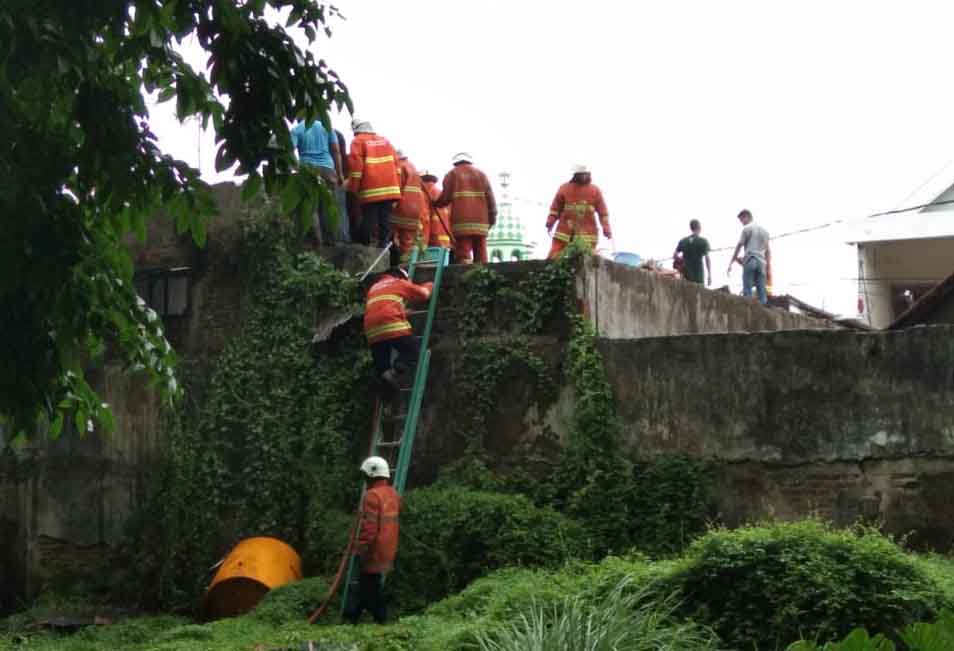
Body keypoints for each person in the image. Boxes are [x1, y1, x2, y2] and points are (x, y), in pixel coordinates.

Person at [343, 456, 401, 625]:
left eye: (365, 476)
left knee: (370, 587)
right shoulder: (392, 493)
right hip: (389, 548)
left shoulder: (372, 496)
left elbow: (370, 529)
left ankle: (380, 619)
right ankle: (352, 616)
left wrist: (359, 547)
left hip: (374, 551)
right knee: (367, 585)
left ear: (371, 474)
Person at [363, 267, 433, 392]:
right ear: (400, 276)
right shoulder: (398, 282)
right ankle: (394, 372)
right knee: (412, 351)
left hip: (371, 331)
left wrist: (402, 312)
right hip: (391, 326)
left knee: (382, 363)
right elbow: (424, 294)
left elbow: (381, 308)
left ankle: (386, 381)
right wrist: (429, 285)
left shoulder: (373, 288)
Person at [347, 118, 401, 248]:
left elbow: (356, 167)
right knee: (385, 220)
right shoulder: (386, 141)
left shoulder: (357, 141)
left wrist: (353, 189)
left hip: (370, 188)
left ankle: (363, 244)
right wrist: (397, 188)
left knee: (369, 218)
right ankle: (384, 245)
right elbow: (397, 166)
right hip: (390, 188)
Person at [434, 152, 496, 264]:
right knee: (481, 251)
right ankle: (483, 275)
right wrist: (492, 219)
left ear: (455, 163)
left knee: (463, 251)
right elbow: (491, 200)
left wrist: (436, 203)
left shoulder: (452, 174)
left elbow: (445, 197)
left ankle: (465, 275)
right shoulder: (482, 175)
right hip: (481, 222)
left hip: (461, 221)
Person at [290, 119, 344, 243]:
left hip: (307, 170)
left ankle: (315, 241)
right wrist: (340, 174)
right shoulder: (327, 127)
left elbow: (289, 149)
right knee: (329, 204)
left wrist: (297, 166)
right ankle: (330, 240)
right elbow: (336, 151)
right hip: (327, 169)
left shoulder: (297, 129)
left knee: (310, 206)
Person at [545, 164, 612, 259]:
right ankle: (550, 269)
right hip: (565, 229)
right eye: (581, 174)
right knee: (555, 254)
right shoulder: (564, 188)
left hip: (587, 231)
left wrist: (606, 228)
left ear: (589, 174)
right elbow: (555, 208)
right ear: (575, 175)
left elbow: (603, 212)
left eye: (585, 174)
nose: (584, 176)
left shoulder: (595, 190)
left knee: (588, 257)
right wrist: (550, 221)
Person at [727, 209, 771, 304]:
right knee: (761, 291)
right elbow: (768, 252)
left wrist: (732, 261)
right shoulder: (765, 232)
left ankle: (748, 309)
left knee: (747, 289)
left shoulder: (747, 228)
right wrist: (768, 269)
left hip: (750, 260)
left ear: (747, 216)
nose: (742, 223)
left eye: (742, 220)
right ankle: (763, 311)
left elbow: (739, 245)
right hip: (762, 263)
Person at [392, 151, 426, 263]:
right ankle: (407, 266)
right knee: (408, 241)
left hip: (401, 208)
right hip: (415, 210)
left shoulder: (400, 166)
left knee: (393, 237)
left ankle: (397, 266)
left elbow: (397, 187)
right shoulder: (413, 167)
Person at [420, 169, 453, 251]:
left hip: (431, 239)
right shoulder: (441, 193)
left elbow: (424, 218)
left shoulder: (422, 193)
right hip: (446, 239)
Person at [674, 219, 712, 286]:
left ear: (691, 228)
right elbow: (707, 259)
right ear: (699, 228)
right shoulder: (703, 241)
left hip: (686, 277)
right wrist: (709, 275)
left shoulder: (683, 241)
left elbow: (674, 255)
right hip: (698, 277)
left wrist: (682, 261)